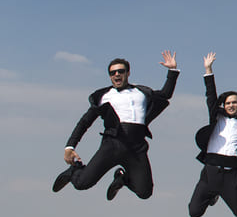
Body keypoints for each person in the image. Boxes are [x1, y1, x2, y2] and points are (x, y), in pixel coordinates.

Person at [53, 52, 180, 200]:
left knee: (145, 192)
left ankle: (122, 178)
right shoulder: (104, 96)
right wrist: (70, 146)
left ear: (128, 73)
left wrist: (172, 70)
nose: (117, 74)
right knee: (82, 183)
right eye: (113, 73)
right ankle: (73, 171)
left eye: (120, 71)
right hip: (113, 144)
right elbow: (85, 122)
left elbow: (165, 94)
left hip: (136, 147)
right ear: (110, 76)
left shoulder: (141, 92)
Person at [188, 52, 237, 217]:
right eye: (228, 103)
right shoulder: (217, 116)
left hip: (231, 173)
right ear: (224, 105)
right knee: (194, 213)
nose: (231, 105)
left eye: (234, 102)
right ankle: (212, 195)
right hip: (211, 171)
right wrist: (208, 70)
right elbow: (210, 95)